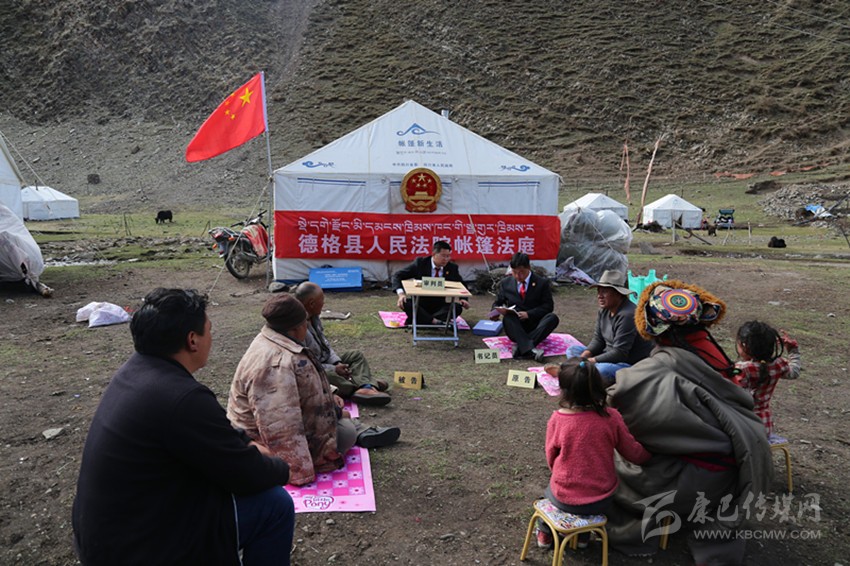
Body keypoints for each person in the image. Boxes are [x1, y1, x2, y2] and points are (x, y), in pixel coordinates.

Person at [72, 288, 295, 566]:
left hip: (108, 536)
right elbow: (246, 474)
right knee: (275, 504)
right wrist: (280, 467)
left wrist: (246, 444)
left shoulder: (137, 372)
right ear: (192, 340)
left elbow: (215, 434)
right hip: (138, 549)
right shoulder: (181, 397)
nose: (211, 338)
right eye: (209, 330)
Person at [605, 280, 773, 564]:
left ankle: (649, 522)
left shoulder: (653, 370)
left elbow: (624, 416)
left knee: (608, 457)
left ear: (653, 327)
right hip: (730, 479)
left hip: (694, 482)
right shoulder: (714, 354)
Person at [227, 293, 400, 486]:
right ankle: (357, 428)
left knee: (342, 418)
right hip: (261, 442)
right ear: (297, 327)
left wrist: (330, 395)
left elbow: (305, 382)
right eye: (305, 323)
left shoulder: (273, 339)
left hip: (279, 425)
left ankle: (354, 422)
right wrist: (297, 472)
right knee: (346, 431)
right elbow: (281, 426)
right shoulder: (276, 364)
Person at [536, 358, 651, 551]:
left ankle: (545, 533)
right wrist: (650, 455)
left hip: (564, 497)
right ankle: (582, 536)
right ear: (598, 386)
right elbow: (634, 453)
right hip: (602, 499)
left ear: (564, 390)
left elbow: (551, 458)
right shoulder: (611, 417)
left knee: (548, 494)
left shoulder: (558, 419)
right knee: (586, 497)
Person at [295, 281, 391, 406]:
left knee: (355, 355)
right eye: (322, 300)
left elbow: (325, 344)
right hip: (313, 370)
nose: (324, 303)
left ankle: (365, 385)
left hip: (325, 362)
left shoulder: (314, 317)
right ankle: (364, 384)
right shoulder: (297, 326)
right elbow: (305, 364)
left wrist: (337, 363)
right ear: (311, 303)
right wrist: (333, 369)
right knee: (328, 377)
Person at [566, 270, 653, 386]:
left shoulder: (628, 315)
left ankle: (578, 373)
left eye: (605, 292)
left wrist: (591, 361)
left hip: (627, 363)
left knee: (602, 370)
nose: (599, 296)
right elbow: (598, 340)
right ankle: (582, 373)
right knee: (572, 350)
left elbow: (620, 353)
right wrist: (584, 356)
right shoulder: (604, 310)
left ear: (618, 294)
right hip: (607, 353)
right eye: (598, 291)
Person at [734, 320, 801, 436]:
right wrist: (792, 350)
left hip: (742, 426)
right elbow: (794, 372)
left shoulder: (742, 369)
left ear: (744, 345)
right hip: (765, 425)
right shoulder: (778, 364)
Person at [490, 252, 559, 362]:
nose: (518, 276)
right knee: (508, 318)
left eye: (521, 272)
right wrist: (495, 312)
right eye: (514, 272)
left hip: (535, 325)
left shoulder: (542, 283)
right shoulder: (506, 283)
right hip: (515, 326)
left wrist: (529, 314)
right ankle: (529, 348)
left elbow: (548, 306)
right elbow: (498, 302)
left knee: (552, 318)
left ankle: (521, 348)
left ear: (528, 268)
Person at [392, 240, 470, 326]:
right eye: (443, 256)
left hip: (439, 306)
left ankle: (423, 319)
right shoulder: (420, 263)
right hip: (420, 304)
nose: (446, 259)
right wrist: (401, 294)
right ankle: (435, 321)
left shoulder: (451, 268)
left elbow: (461, 283)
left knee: (457, 307)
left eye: (448, 256)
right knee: (405, 302)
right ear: (433, 254)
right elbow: (397, 276)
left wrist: (463, 299)